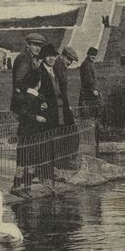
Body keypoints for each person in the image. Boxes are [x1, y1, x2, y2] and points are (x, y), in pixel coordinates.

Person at [38, 44, 74, 180]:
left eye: (53, 55)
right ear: (43, 57)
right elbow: (35, 91)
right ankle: (46, 173)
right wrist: (41, 103)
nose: (51, 58)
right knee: (47, 142)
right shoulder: (40, 71)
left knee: (54, 140)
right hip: (48, 112)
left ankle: (53, 170)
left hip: (57, 111)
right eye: (48, 56)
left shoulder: (52, 70)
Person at [11, 71, 49, 192]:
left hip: (24, 133)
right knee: (30, 159)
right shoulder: (36, 97)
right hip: (33, 133)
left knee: (22, 159)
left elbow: (20, 112)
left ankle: (18, 185)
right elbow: (24, 113)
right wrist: (37, 117)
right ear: (38, 83)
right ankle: (24, 186)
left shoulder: (23, 96)